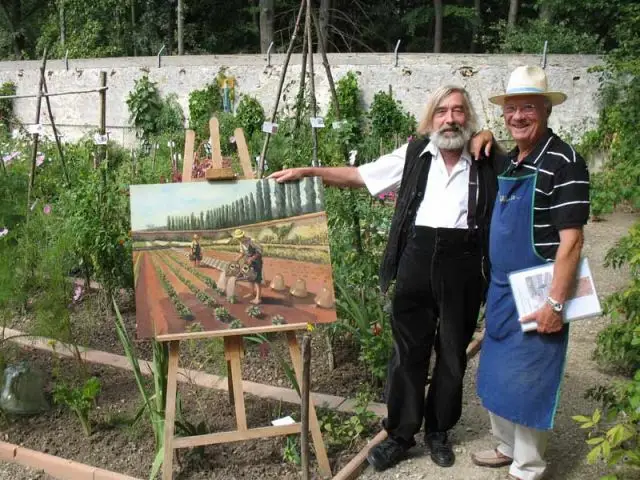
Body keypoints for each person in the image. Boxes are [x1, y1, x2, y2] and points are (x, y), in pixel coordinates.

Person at [270, 86, 497, 470]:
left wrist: (491, 136)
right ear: (430, 118)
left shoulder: (485, 158)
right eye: (442, 111)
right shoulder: (413, 155)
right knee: (407, 352)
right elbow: (359, 175)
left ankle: (439, 431)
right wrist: (311, 172)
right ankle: (400, 434)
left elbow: (518, 164)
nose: (450, 118)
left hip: (463, 263)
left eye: (458, 111)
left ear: (469, 119)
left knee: (453, 352)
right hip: (416, 258)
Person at [471, 65, 590, 480]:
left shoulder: (565, 162)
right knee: (498, 373)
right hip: (502, 288)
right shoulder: (517, 158)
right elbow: (490, 149)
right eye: (511, 108)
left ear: (546, 110)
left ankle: (528, 467)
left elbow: (571, 242)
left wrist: (555, 303)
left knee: (529, 379)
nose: (518, 116)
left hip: (540, 287)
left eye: (528, 108)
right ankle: (506, 447)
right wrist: (483, 135)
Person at [233, 229, 263, 304]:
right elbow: (242, 253)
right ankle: (251, 292)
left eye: (240, 238)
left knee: (257, 279)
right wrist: (236, 259)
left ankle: (258, 298)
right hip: (248, 262)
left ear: (243, 236)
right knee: (250, 277)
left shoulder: (252, 241)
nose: (239, 240)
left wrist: (252, 259)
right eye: (238, 238)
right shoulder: (241, 243)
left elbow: (260, 252)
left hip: (256, 262)